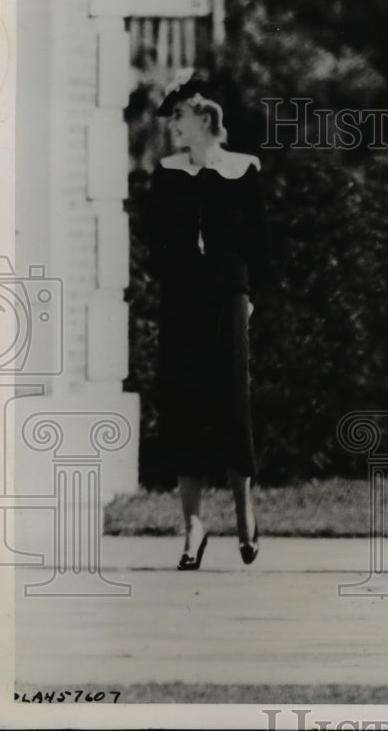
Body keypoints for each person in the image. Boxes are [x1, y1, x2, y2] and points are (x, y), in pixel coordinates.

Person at [149, 73, 266, 570]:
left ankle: (244, 510)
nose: (172, 125)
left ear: (203, 117)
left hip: (228, 296)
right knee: (184, 401)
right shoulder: (167, 173)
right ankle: (193, 524)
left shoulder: (244, 170)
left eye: (178, 115)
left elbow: (258, 244)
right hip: (182, 300)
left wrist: (250, 297)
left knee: (231, 400)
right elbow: (156, 243)